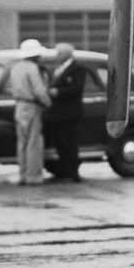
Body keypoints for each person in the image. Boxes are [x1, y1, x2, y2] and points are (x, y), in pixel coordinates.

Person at [5, 39, 51, 186]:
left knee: (22, 143)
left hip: (19, 106)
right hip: (32, 106)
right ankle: (34, 176)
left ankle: (23, 174)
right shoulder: (33, 68)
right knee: (34, 143)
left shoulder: (15, 67)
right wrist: (48, 103)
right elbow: (39, 90)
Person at [45, 43, 92, 181]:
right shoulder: (58, 69)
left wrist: (58, 92)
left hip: (69, 113)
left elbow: (76, 88)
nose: (56, 56)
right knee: (60, 143)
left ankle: (72, 172)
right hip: (58, 113)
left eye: (59, 53)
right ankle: (65, 171)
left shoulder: (77, 68)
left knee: (69, 144)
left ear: (67, 54)